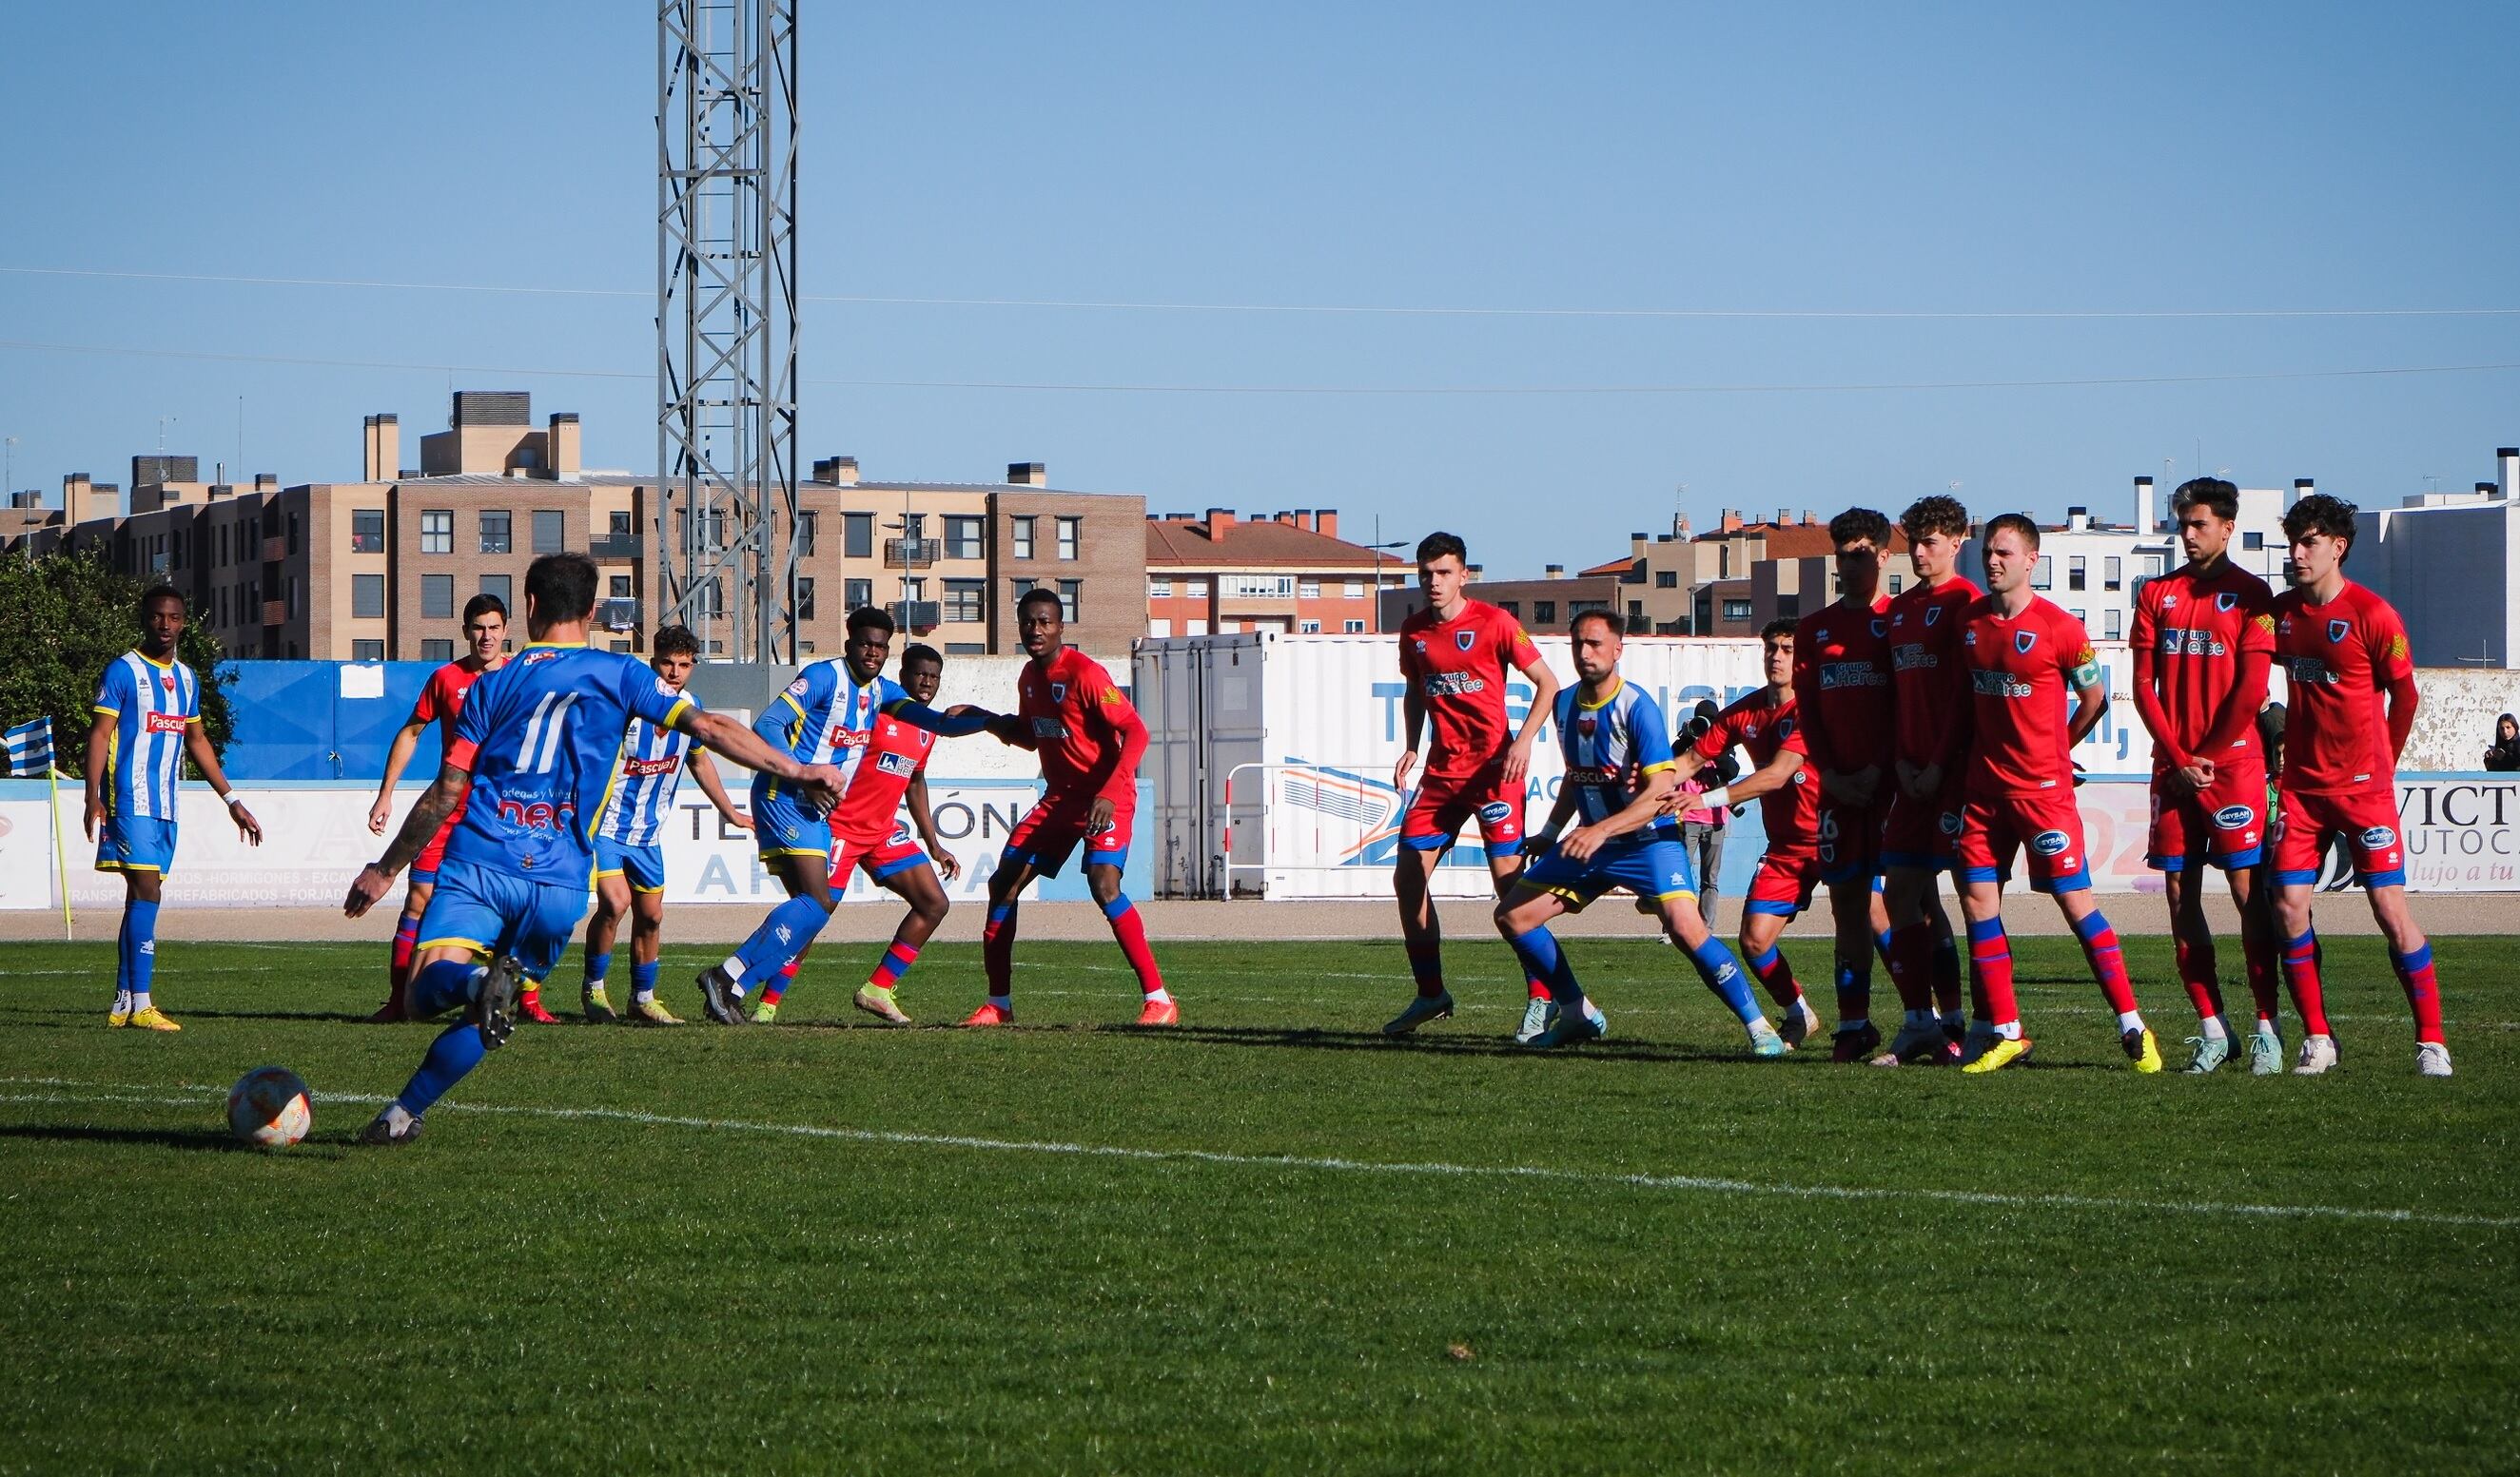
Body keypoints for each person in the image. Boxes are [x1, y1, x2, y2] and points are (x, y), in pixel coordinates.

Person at [343, 554, 843, 1145]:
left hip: (483, 859)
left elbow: (446, 792)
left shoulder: (491, 683)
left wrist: (385, 868)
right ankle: (401, 1115)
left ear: (528, 607)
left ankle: (474, 986)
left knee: (429, 987)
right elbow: (709, 727)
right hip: (558, 880)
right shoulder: (624, 675)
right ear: (593, 611)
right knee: (495, 1004)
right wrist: (797, 768)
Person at [692, 607, 1000, 1026]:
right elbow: (769, 724)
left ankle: (733, 987)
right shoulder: (823, 678)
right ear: (849, 642)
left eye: (881, 647)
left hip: (822, 810)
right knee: (816, 904)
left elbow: (937, 725)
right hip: (787, 795)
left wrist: (997, 723)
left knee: (813, 908)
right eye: (866, 644)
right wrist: (804, 776)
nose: (873, 653)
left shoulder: (884, 694)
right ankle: (731, 980)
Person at [1497, 612, 1781, 1056]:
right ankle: (1576, 1012)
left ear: (1617, 650)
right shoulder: (1565, 703)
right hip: (1593, 843)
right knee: (1514, 916)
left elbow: (1659, 793)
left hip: (1650, 841)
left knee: (1687, 929)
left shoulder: (1638, 707)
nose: (1585, 653)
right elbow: (1579, 776)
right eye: (1578, 645)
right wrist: (1552, 830)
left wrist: (1600, 830)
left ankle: (1760, 1028)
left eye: (1595, 644)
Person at [1955, 515, 2161, 1075]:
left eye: (2004, 553)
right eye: (1988, 553)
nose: (1992, 561)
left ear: (2031, 561)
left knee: (2075, 906)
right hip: (1983, 792)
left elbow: (2095, 696)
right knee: (1978, 905)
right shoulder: (1969, 624)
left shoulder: (2060, 629)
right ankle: (2007, 1030)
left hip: (2043, 794)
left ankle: (2132, 1023)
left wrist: (2059, 749)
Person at [2267, 494, 2449, 1077]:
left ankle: (2431, 1042)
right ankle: (2318, 1038)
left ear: (2337, 547)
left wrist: (2383, 766)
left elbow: (2407, 695)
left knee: (2390, 911)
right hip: (2301, 792)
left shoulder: (2374, 615)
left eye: (2308, 542)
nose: (2296, 553)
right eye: (2292, 542)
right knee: (2289, 907)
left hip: (2363, 791)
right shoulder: (2281, 615)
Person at [2128, 477, 2284, 1074]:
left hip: (2234, 768)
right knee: (2177, 894)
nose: (2188, 535)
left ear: (2227, 526)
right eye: (2182, 525)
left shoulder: (2253, 595)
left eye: (2199, 525)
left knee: (2250, 895)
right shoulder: (2156, 594)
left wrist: (2207, 759)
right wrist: (2176, 757)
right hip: (2174, 769)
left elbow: (2251, 690)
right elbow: (2143, 686)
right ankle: (2213, 1028)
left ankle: (2266, 1024)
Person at [964, 588, 1176, 1026]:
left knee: (1104, 885)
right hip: (1059, 798)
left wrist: (1111, 792)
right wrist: (986, 719)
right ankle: (998, 1005)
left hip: (1104, 797)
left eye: (1045, 622)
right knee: (1002, 884)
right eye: (1028, 622)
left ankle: (1158, 1000)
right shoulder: (1028, 677)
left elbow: (1136, 732)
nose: (1035, 630)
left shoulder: (1085, 674)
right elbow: (1032, 735)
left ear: (1061, 627)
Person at [1383, 532, 1565, 1041]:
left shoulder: (1495, 622)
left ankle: (1542, 997)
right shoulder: (1414, 631)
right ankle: (1431, 992)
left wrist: (1523, 742)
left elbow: (1549, 684)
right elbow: (1416, 691)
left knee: (1512, 893)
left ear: (1465, 574)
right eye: (1426, 572)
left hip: (1494, 776)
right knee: (1407, 877)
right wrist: (1413, 745)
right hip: (1442, 776)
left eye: (1443, 572)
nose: (1433, 581)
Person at [1677, 617, 1872, 1048]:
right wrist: (1650, 780)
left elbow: (1778, 775)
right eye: (1772, 649)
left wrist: (1706, 800)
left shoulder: (1812, 709)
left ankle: (1926, 1016)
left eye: (1787, 649)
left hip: (1838, 834)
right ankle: (1799, 1013)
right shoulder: (1746, 711)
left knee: (1875, 923)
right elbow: (1689, 761)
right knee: (1753, 939)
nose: (1777, 657)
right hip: (1787, 846)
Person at [753, 642, 967, 1025]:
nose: (927, 682)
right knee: (814, 915)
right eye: (920, 674)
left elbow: (914, 781)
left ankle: (877, 989)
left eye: (934, 677)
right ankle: (767, 1004)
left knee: (934, 902)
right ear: (901, 676)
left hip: (882, 831)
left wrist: (934, 845)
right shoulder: (877, 712)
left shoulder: (926, 729)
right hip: (839, 828)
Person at [86, 586, 264, 1031]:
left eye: (175, 618)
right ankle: (143, 1004)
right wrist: (92, 794)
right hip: (128, 800)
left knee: (139, 896)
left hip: (166, 804)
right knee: (148, 892)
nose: (166, 625)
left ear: (184, 622)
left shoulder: (186, 678)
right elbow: (100, 733)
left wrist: (232, 800)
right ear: (144, 619)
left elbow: (197, 740)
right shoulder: (123, 671)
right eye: (157, 617)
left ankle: (124, 1002)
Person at [577, 624, 752, 1025]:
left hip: (648, 834)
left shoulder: (691, 708)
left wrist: (730, 811)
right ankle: (594, 990)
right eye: (667, 663)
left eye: (684, 665)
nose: (674, 672)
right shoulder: (628, 707)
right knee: (615, 904)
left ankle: (642, 998)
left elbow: (699, 760)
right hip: (607, 829)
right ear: (652, 662)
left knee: (652, 917)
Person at [364, 594, 508, 1023]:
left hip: (500, 813)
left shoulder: (520, 678)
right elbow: (411, 732)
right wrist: (386, 793)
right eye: (478, 627)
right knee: (418, 899)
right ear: (465, 631)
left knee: (506, 907)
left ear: (506, 630)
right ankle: (397, 1002)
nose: (486, 636)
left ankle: (518, 1002)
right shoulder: (446, 678)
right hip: (446, 808)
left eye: (494, 627)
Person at [1792, 509, 1902, 1062]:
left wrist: (1878, 771)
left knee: (1908, 905)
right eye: (1843, 553)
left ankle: (1924, 1019)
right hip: (1838, 789)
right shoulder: (1815, 629)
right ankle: (1853, 1024)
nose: (1850, 563)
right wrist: (1832, 773)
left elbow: (1910, 709)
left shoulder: (1899, 622)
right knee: (1846, 908)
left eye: (1861, 553)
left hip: (1891, 790)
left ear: (1884, 556)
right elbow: (1808, 711)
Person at [1877, 495, 1979, 1065]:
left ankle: (1969, 1022)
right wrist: (1901, 764)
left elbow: (1966, 698)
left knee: (1971, 899)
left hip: (1954, 776)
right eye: (1913, 541)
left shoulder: (1967, 603)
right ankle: (1920, 1021)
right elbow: (1895, 698)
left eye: (1930, 541)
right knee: (1902, 895)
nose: (1918, 552)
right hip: (1909, 775)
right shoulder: (1897, 612)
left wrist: (1939, 763)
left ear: (1957, 541)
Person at [1672, 698, 1730, 931]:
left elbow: (1730, 770)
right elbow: (1671, 760)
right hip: (1688, 818)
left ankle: (1705, 929)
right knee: (1679, 877)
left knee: (1710, 879)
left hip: (1715, 819)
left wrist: (1712, 745)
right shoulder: (1683, 744)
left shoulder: (1724, 743)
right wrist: (1688, 737)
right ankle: (1675, 926)